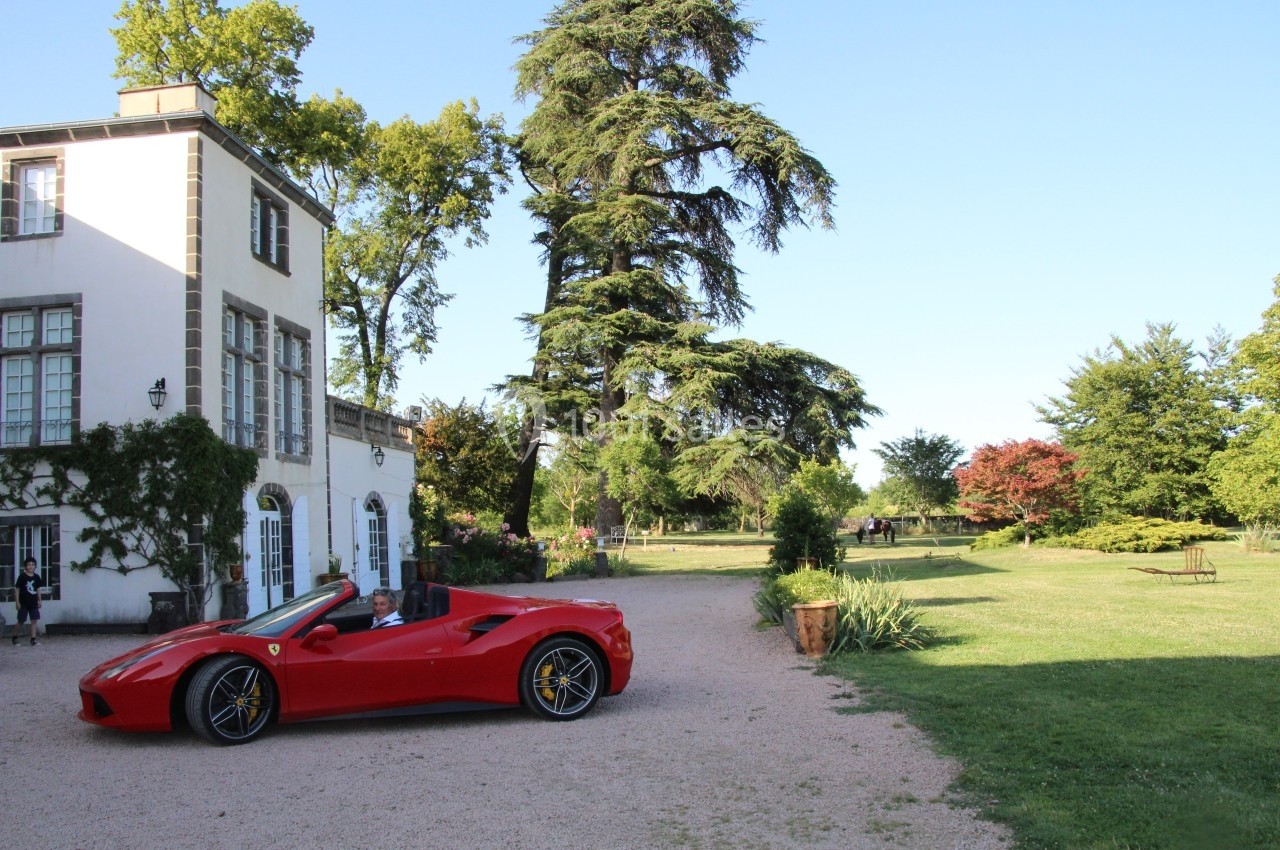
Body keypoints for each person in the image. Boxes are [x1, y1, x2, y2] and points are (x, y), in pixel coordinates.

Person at [14, 557, 44, 646]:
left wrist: (40, 600)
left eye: (32, 565)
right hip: (23, 602)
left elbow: (38, 589)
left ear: (35, 566)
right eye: (29, 565)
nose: (31, 566)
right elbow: (17, 589)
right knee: (21, 620)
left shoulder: (37, 577)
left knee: (34, 620)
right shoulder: (22, 576)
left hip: (33, 602)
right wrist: (17, 602)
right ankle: (14, 637)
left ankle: (33, 639)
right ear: (26, 566)